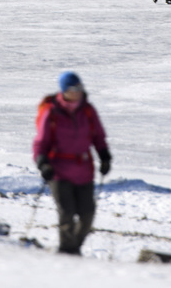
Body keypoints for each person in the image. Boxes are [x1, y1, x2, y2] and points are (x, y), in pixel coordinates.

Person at [33, 71, 110, 256]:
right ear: (64, 90)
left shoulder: (88, 111)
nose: (78, 91)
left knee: (87, 215)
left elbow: (98, 136)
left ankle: (72, 248)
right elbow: (41, 141)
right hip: (58, 171)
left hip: (84, 171)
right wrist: (42, 162)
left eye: (80, 87)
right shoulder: (51, 112)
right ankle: (68, 252)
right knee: (66, 214)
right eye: (74, 88)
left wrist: (104, 155)